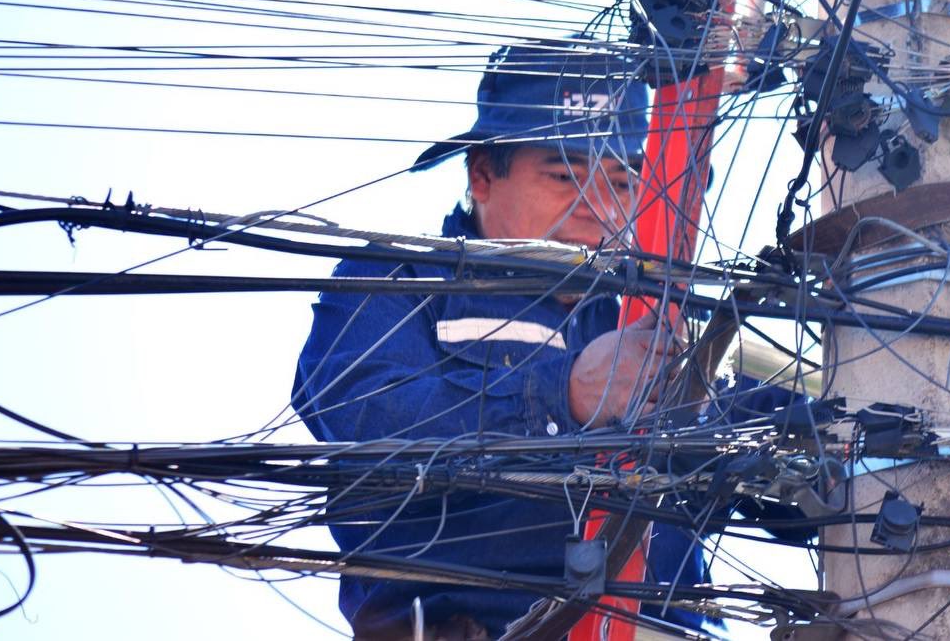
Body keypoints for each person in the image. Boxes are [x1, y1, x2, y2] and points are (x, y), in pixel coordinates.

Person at [293, 39, 806, 640]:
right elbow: (365, 414)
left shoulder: (650, 323)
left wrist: (873, 445)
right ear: (482, 174)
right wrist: (564, 395)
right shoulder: (403, 277)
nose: (599, 208)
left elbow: (774, 438)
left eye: (622, 182)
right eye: (566, 175)